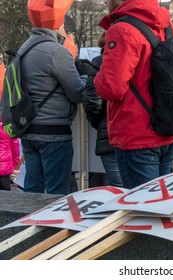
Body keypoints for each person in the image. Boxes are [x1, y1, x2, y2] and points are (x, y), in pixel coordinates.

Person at [94, 0, 173, 189]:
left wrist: (97, 76)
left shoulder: (122, 29)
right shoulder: (168, 27)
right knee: (159, 205)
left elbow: (112, 87)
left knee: (141, 210)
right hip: (167, 129)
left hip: (136, 135)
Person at [21, 0, 87, 195]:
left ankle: (30, 224)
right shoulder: (56, 52)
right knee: (56, 194)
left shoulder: (24, 49)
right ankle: (53, 227)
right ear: (58, 22)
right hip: (54, 132)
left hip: (28, 131)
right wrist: (83, 73)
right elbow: (77, 92)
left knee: (33, 191)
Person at [82, 32, 122, 187]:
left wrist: (98, 123)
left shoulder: (98, 63)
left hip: (109, 135)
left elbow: (92, 101)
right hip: (140, 134)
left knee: (119, 190)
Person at [0, 117, 20, 191]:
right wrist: (15, 167)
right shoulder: (9, 124)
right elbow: (15, 148)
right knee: (6, 198)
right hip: (4, 169)